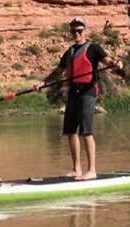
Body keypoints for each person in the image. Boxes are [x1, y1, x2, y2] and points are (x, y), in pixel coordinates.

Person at [36, 17, 122, 180]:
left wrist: (117, 63)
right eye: (73, 31)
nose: (76, 33)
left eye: (79, 30)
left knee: (86, 131)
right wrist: (42, 83)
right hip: (73, 93)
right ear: (70, 32)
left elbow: (107, 60)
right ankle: (77, 169)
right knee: (70, 131)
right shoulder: (69, 53)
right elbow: (58, 72)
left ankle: (92, 170)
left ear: (84, 31)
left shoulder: (94, 48)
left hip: (88, 92)